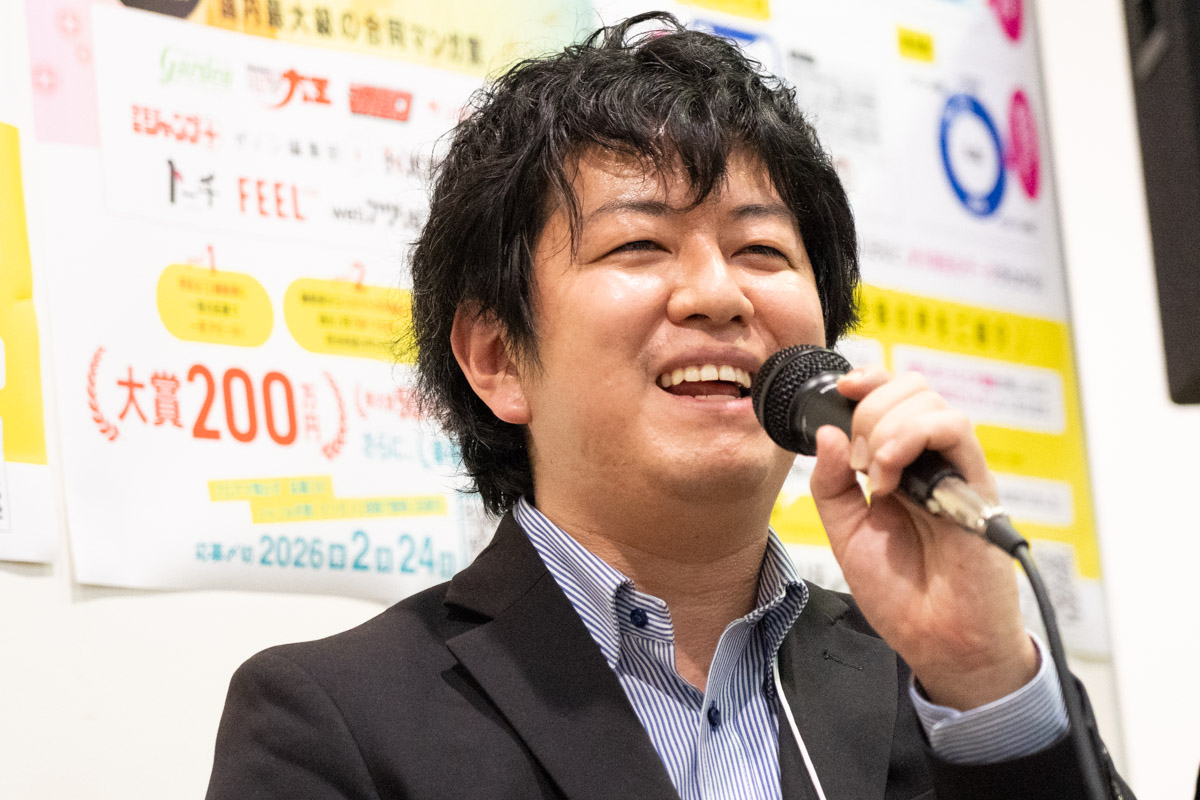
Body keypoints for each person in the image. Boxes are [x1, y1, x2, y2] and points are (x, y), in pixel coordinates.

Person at [206, 13, 1131, 800]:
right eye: (639, 246)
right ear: (497, 357)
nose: (718, 294)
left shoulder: (931, 685)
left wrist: (982, 674)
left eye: (762, 251)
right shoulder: (335, 720)